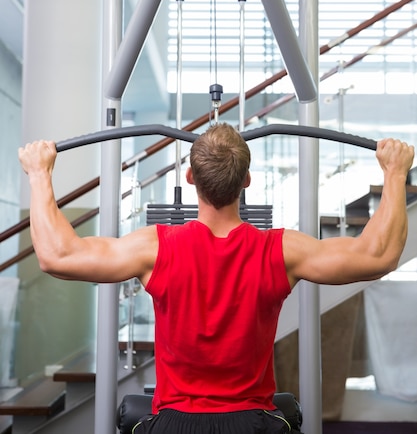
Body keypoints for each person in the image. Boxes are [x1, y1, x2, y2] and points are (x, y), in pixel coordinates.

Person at [18, 123, 414, 434]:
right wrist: (395, 174)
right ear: (246, 181)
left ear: (191, 178)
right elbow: (376, 255)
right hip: (253, 424)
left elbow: (57, 256)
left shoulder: (153, 248)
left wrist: (40, 174)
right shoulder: (281, 250)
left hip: (175, 425)